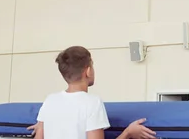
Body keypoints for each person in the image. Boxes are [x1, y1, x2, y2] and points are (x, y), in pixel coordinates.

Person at [27, 46, 156, 139]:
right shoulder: (92, 102)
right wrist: (128, 132)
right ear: (88, 71)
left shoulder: (50, 100)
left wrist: (44, 123)